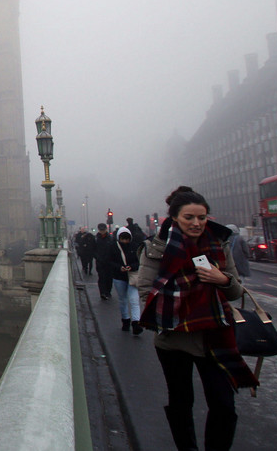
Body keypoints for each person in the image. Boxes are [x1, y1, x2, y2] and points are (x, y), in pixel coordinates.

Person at [136, 186, 257, 451]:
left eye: (201, 217)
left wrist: (221, 279)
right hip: (173, 338)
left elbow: (236, 291)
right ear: (175, 218)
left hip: (215, 335)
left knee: (224, 405)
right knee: (181, 402)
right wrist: (177, 309)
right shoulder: (157, 248)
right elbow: (146, 291)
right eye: (189, 217)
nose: (196, 223)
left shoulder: (219, 244)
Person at [105, 226, 142, 334]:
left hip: (132, 276)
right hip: (119, 277)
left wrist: (131, 267)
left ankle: (136, 323)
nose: (125, 241)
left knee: (134, 300)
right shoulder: (113, 247)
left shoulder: (135, 247)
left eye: (127, 239)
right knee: (123, 300)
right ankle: (125, 320)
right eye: (123, 239)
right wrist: (119, 267)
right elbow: (109, 261)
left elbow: (140, 261)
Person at [94, 223, 115, 299]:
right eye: (101, 230)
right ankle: (102, 292)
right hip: (100, 262)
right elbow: (93, 250)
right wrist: (98, 258)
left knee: (109, 278)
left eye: (103, 230)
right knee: (101, 277)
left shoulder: (111, 238)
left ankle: (108, 292)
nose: (102, 231)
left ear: (106, 229)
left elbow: (113, 250)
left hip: (109, 262)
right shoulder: (96, 239)